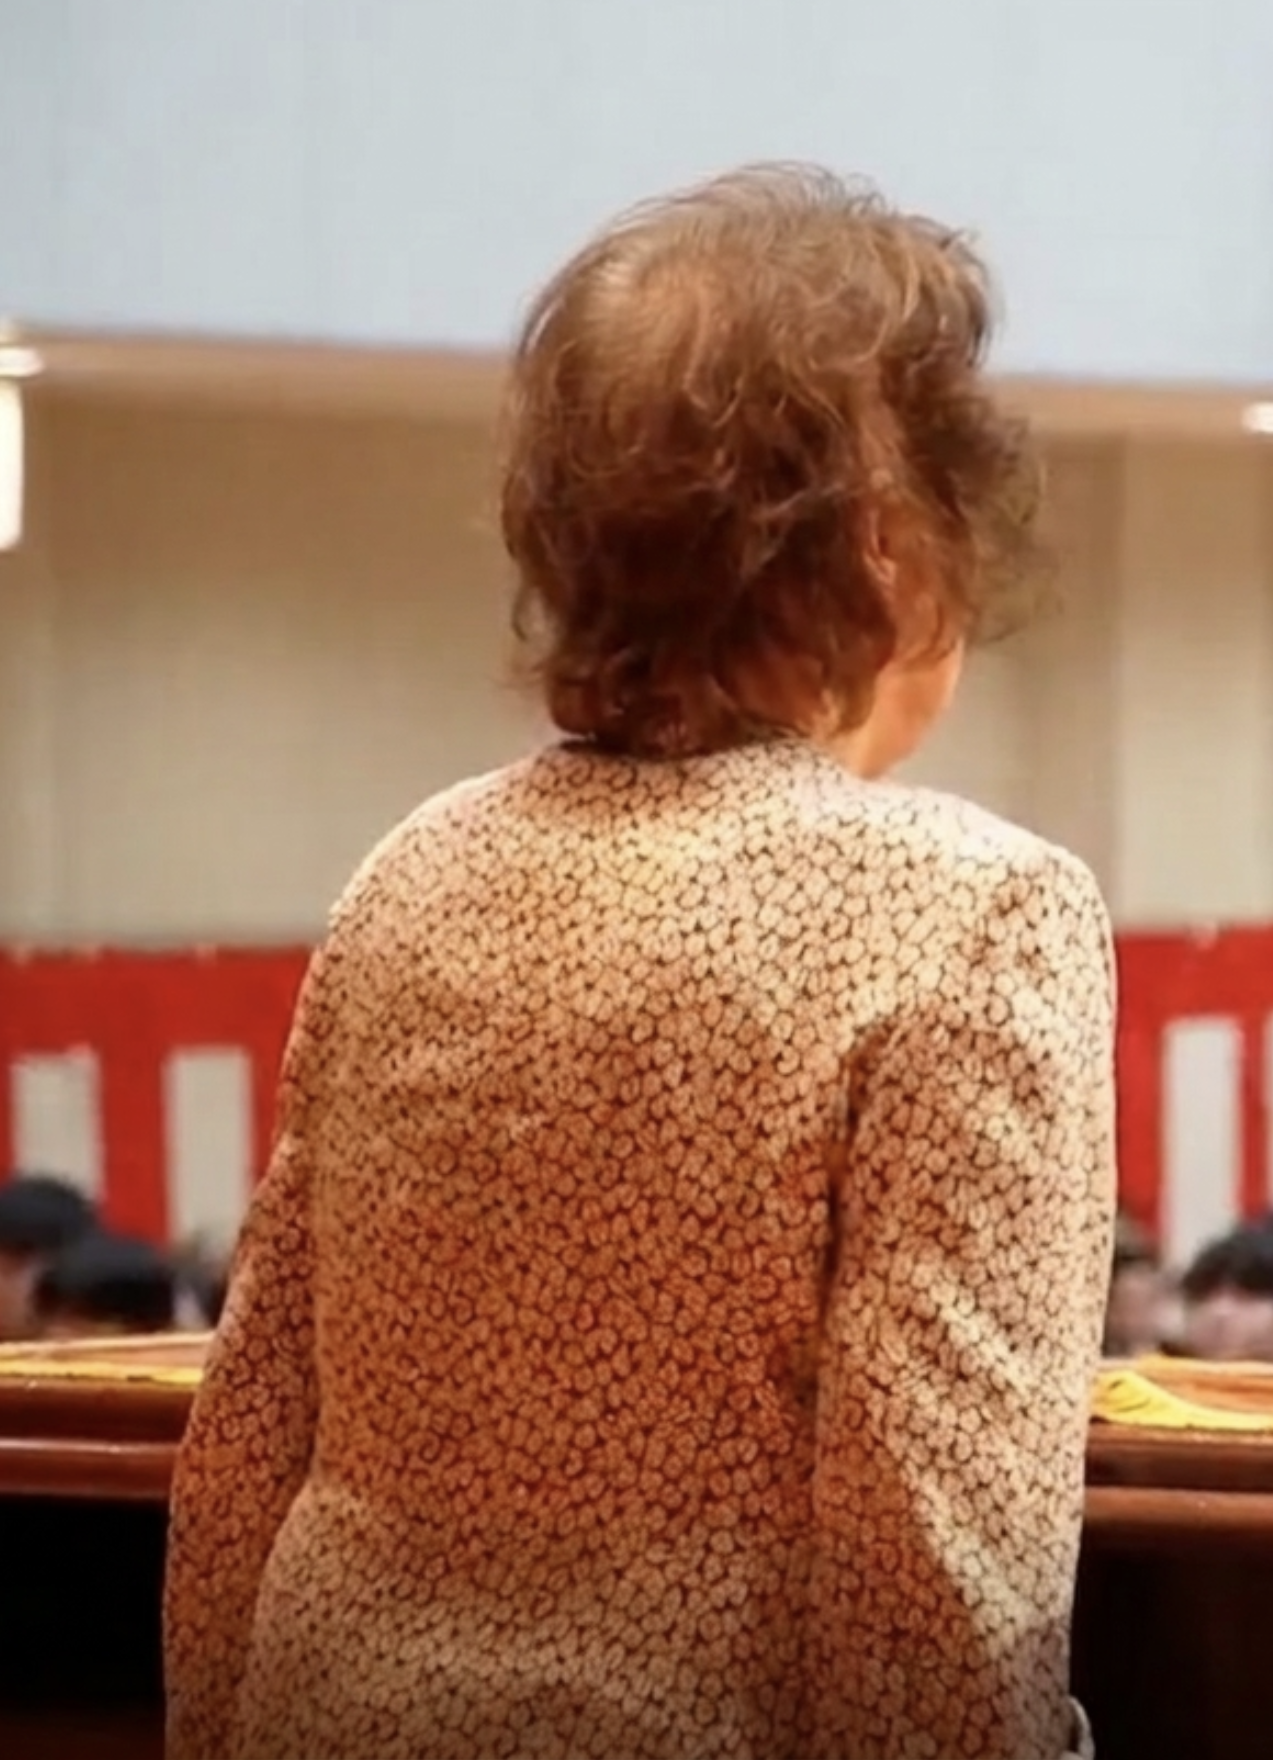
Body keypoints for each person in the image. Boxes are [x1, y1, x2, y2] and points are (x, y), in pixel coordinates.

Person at [163, 164, 1116, 1760]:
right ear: (887, 547)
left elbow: (246, 1445)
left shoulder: (412, 874)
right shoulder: (971, 915)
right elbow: (937, 1587)